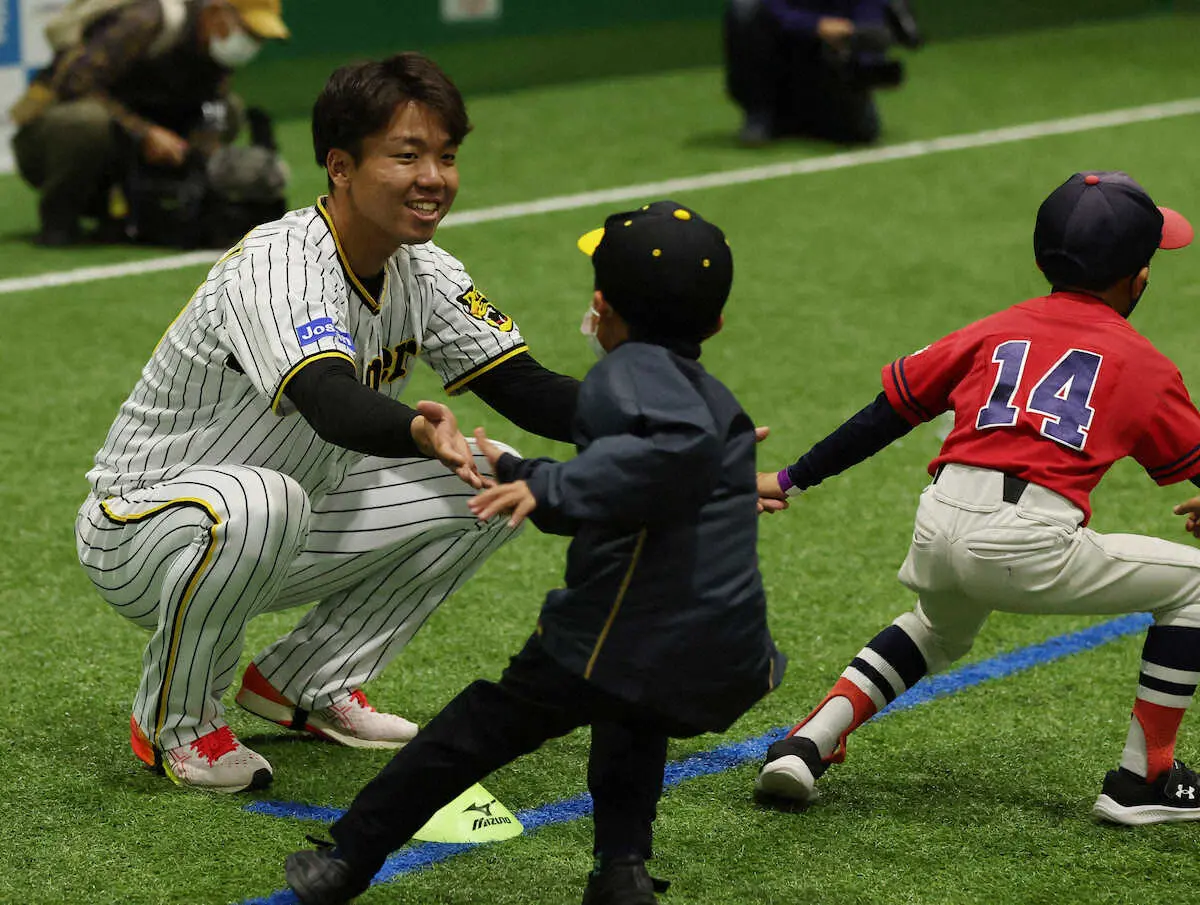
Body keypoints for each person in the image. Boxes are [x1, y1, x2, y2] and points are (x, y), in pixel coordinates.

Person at [73, 52, 581, 793]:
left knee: (493, 474)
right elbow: (328, 397)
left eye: (445, 156)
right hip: (145, 527)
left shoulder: (425, 269)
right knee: (260, 499)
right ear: (341, 166)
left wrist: (663, 418)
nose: (433, 177)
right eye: (406, 155)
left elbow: (525, 387)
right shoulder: (279, 262)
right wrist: (414, 429)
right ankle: (174, 721)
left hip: (287, 519)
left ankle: (303, 683)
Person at [281, 201, 787, 905]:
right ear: (717, 323)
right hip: (724, 653)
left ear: (602, 308)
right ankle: (622, 872)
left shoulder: (627, 376)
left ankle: (345, 860)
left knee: (473, 729)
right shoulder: (711, 398)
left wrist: (550, 483)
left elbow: (660, 458)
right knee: (632, 719)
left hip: (616, 635)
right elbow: (664, 473)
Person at [750, 171, 1200, 826]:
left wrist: (787, 479)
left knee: (937, 625)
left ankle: (807, 740)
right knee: (1193, 585)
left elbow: (885, 415)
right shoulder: (1145, 364)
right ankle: (1146, 776)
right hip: (1030, 538)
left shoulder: (996, 328)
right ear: (1138, 278)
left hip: (939, 518)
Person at [9, 0, 289, 246]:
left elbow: (214, 103)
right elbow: (74, 85)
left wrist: (205, 152)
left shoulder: (214, 52)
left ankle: (155, 207)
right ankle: (59, 219)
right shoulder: (146, 19)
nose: (252, 44)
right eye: (249, 32)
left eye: (259, 37)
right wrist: (145, 134)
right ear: (216, 12)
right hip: (51, 141)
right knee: (87, 122)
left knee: (229, 111)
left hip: (134, 144)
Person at [723, 0, 921, 146]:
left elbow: (868, 20)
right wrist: (815, 26)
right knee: (745, 8)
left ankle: (794, 117)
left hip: (827, 53)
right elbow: (772, 8)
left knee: (861, 133)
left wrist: (864, 60)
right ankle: (760, 113)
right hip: (781, 44)